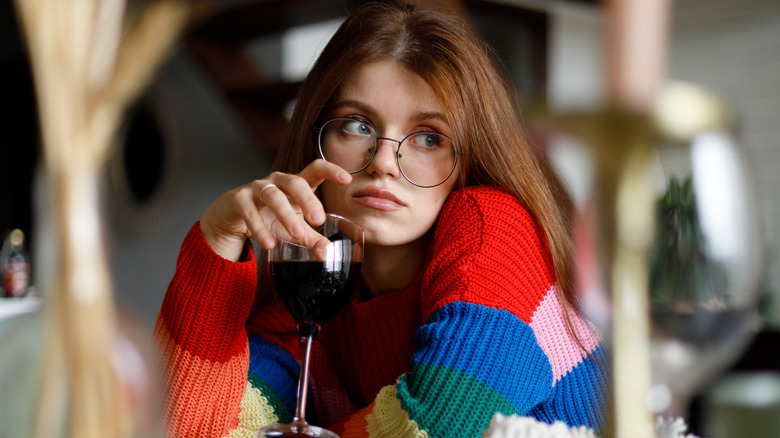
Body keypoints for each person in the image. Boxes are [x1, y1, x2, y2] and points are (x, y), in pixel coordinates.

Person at [153, 1, 610, 437]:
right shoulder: (314, 295)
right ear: (317, 139)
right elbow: (194, 429)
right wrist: (217, 241)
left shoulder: (493, 225)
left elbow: (436, 428)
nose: (384, 163)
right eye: (356, 125)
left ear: (467, 162)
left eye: (429, 138)